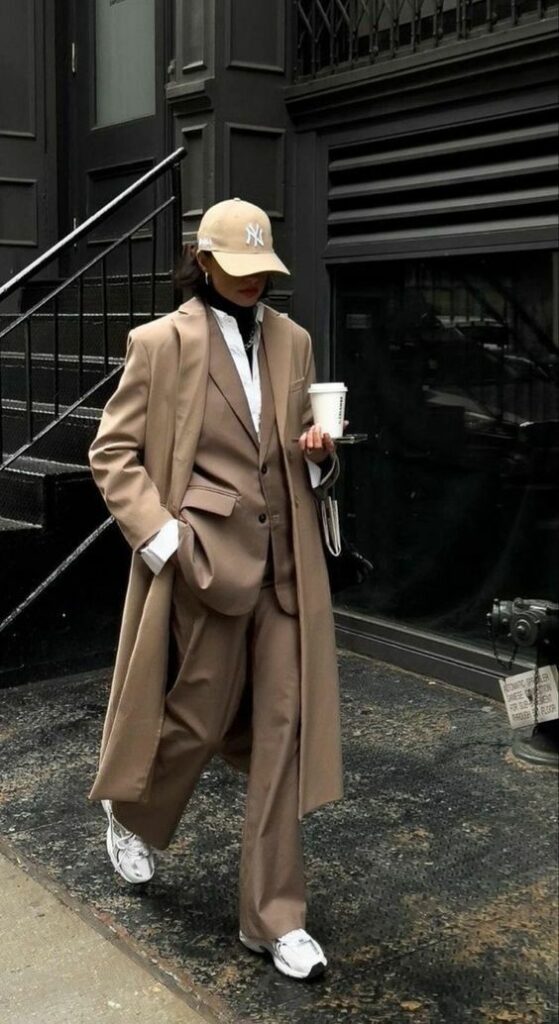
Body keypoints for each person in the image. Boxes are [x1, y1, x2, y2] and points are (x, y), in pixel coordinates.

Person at [88, 198, 343, 981]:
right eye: (235, 271)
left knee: (283, 734)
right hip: (204, 561)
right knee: (194, 721)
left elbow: (305, 463)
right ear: (202, 265)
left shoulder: (293, 340)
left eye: (261, 272)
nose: (249, 285)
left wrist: (319, 454)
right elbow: (112, 452)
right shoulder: (160, 343)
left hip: (288, 568)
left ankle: (273, 919)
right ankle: (131, 811)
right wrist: (163, 541)